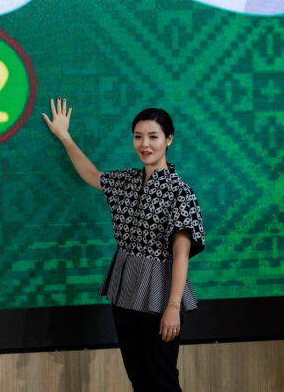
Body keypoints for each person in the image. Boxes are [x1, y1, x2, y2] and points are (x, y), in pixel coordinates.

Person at [42, 98, 205, 392]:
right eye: (138, 136)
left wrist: (172, 306)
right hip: (125, 289)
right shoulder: (127, 181)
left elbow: (181, 255)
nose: (145, 144)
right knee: (139, 376)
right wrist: (65, 137)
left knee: (162, 379)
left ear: (168, 140)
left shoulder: (180, 191)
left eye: (153, 137)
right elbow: (92, 175)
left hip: (160, 293)